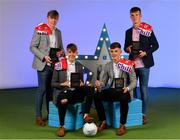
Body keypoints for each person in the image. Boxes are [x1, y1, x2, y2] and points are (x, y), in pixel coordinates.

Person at [124, 7, 159, 124]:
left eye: (137, 15)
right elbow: (125, 46)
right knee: (133, 90)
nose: (135, 17)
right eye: (132, 15)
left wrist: (146, 52)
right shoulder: (128, 32)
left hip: (144, 64)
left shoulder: (147, 29)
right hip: (132, 65)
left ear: (141, 15)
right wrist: (127, 48)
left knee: (144, 90)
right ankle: (134, 112)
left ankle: (143, 114)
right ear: (130, 17)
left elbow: (155, 45)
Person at [51, 43, 94, 137]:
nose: (72, 54)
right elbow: (53, 83)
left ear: (76, 53)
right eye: (70, 52)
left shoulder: (79, 65)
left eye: (74, 52)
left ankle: (86, 115)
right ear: (67, 52)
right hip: (64, 91)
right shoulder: (59, 65)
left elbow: (81, 81)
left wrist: (82, 84)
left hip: (76, 92)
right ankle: (62, 126)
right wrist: (62, 84)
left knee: (90, 88)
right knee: (63, 100)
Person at [30, 10, 64, 126]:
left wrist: (61, 54)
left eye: (56, 18)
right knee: (42, 90)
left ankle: (51, 114)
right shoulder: (40, 29)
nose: (53, 20)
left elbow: (61, 48)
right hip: (43, 64)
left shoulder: (58, 32)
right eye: (51, 18)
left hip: (54, 65)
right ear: (47, 18)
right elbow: (32, 47)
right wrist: (44, 57)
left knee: (51, 90)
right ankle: (38, 116)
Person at [95, 42, 136, 136]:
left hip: (124, 90)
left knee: (123, 98)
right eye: (112, 51)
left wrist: (128, 88)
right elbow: (103, 82)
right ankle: (103, 121)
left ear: (120, 52)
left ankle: (122, 125)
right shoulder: (107, 65)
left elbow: (134, 81)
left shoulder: (128, 64)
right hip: (112, 90)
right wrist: (98, 84)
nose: (113, 53)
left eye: (116, 51)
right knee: (97, 95)